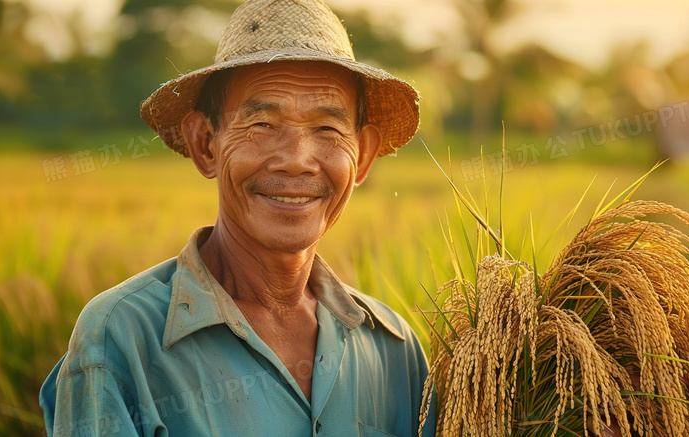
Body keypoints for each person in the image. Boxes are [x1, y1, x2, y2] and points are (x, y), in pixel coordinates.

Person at [39, 0, 434, 435]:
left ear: (362, 157)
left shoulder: (394, 350)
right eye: (263, 124)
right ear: (206, 143)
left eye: (326, 129)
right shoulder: (123, 338)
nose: (297, 162)